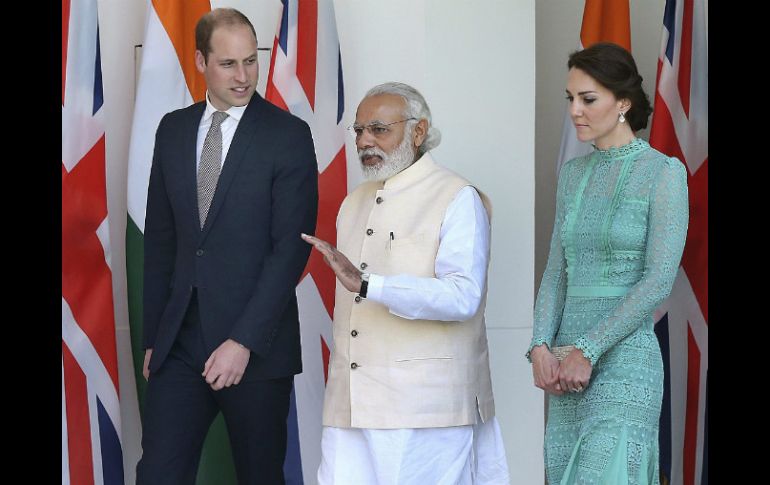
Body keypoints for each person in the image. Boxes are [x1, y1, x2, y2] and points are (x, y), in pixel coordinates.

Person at [136, 8, 318, 485]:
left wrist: (243, 342)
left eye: (250, 61)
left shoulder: (289, 136)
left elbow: (289, 251)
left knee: (259, 476)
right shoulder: (172, 130)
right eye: (228, 64)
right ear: (200, 61)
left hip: (255, 346)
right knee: (157, 474)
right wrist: (156, 335)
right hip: (179, 342)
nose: (243, 76)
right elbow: (161, 240)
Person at [302, 82, 510, 485]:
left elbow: (463, 296)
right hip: (349, 405)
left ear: (418, 132)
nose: (365, 141)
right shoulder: (355, 201)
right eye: (360, 131)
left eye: (379, 129)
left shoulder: (456, 196)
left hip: (425, 410)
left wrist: (370, 285)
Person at [527, 42, 689, 484]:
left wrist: (590, 349)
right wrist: (540, 345)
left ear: (623, 103)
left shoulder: (664, 173)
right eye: (571, 98)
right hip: (564, 360)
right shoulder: (573, 175)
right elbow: (556, 271)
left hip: (625, 358)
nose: (575, 110)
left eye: (588, 98)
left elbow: (658, 280)